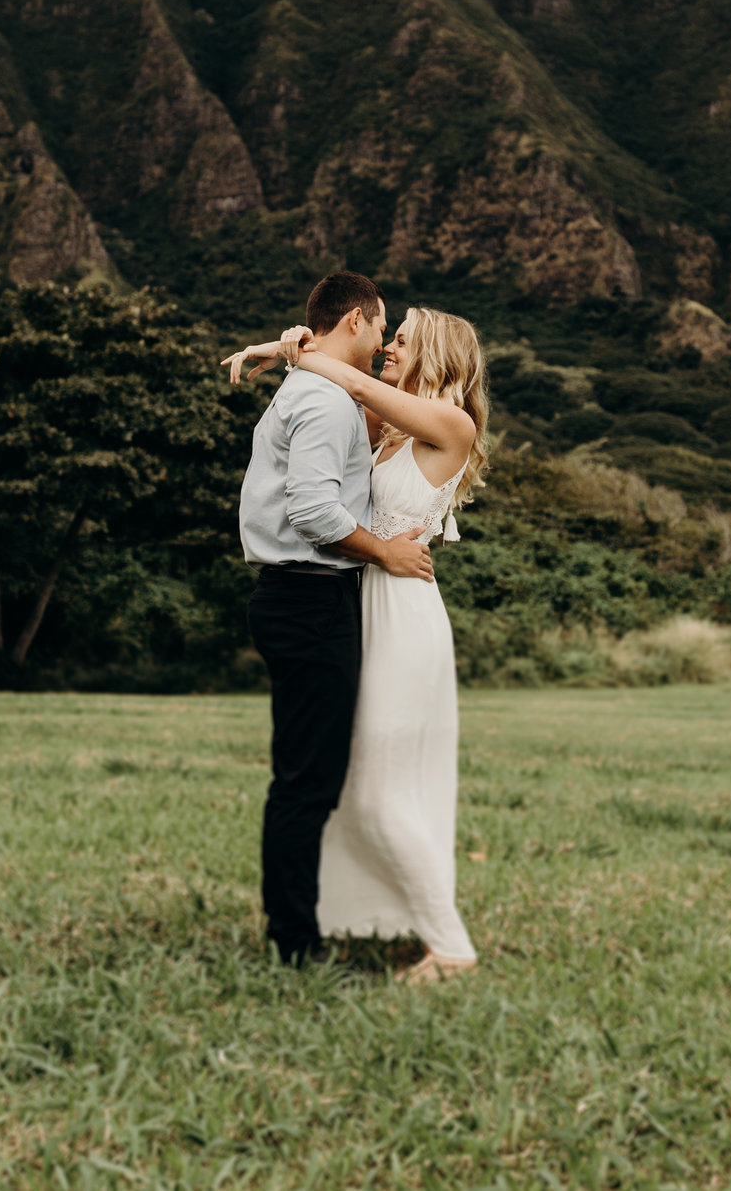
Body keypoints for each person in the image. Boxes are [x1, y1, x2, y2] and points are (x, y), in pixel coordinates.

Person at [227, 305, 490, 984]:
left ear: (434, 351)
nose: (388, 350)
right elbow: (346, 388)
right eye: (388, 336)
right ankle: (356, 915)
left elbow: (357, 381)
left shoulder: (449, 424)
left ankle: (452, 947)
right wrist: (281, 345)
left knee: (376, 792)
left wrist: (283, 348)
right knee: (350, 781)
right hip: (361, 604)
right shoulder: (392, 433)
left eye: (401, 340)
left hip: (402, 613)